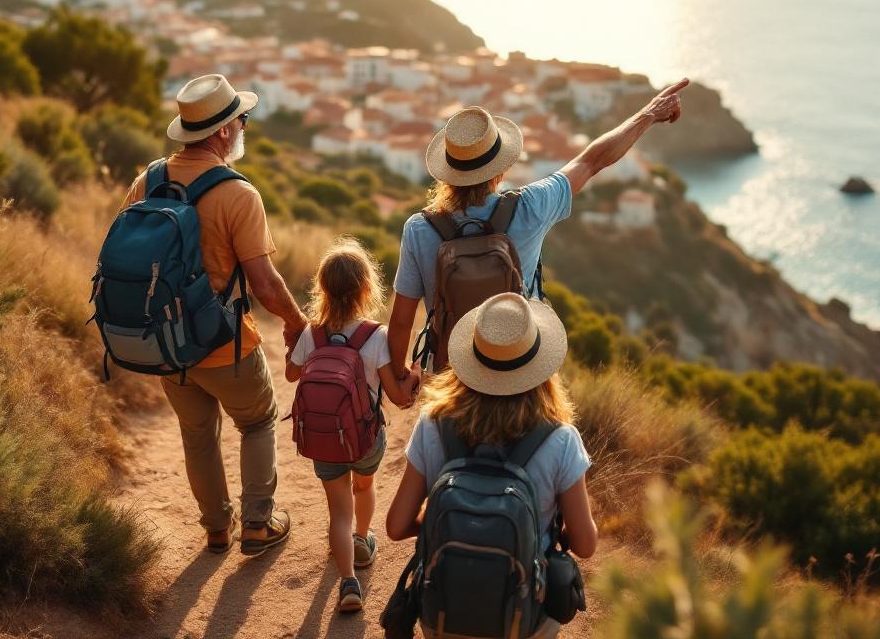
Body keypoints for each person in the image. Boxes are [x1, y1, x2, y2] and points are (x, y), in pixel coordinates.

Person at [387, 79, 690, 381]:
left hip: (450, 375)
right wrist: (649, 113)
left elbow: (401, 322)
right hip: (517, 368)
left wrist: (400, 380)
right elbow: (592, 160)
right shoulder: (531, 206)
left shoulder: (419, 229)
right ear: (500, 170)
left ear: (447, 174)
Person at [122, 73, 307, 556]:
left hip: (166, 342)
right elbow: (265, 283)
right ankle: (258, 524)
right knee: (258, 420)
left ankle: (216, 528)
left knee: (197, 433)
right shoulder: (238, 194)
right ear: (223, 132)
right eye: (241, 121)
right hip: (224, 342)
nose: (244, 127)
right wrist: (297, 322)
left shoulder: (149, 179)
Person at [385, 292, 598, 639]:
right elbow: (586, 544)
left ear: (470, 359)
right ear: (541, 368)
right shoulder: (561, 440)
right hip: (524, 617)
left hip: (443, 613)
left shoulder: (433, 424)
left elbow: (396, 525)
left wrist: (452, 520)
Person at [285, 238, 416, 613]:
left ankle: (348, 582)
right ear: (366, 287)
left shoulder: (313, 333)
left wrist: (297, 346)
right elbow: (396, 397)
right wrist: (414, 380)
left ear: (322, 287)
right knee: (365, 486)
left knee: (336, 512)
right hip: (365, 441)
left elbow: (292, 375)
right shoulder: (376, 335)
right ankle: (362, 540)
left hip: (324, 441)